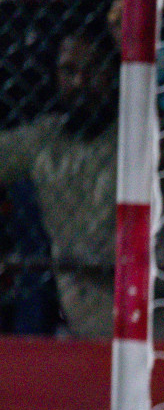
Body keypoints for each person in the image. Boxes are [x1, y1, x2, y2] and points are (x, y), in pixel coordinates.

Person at [0, 23, 119, 338]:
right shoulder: (45, 138)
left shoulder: (139, 134)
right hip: (77, 305)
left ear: (113, 73)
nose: (80, 82)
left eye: (93, 70)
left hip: (141, 304)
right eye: (69, 71)